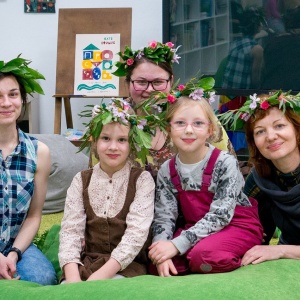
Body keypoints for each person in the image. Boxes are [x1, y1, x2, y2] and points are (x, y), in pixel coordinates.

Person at [146, 81, 263, 276]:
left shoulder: (224, 163)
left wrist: (178, 244)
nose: (189, 130)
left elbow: (221, 215)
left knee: (204, 257)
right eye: (180, 123)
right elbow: (164, 216)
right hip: (197, 227)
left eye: (198, 123)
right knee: (159, 263)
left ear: (210, 130)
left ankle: (242, 258)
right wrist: (162, 249)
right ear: (169, 128)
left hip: (236, 225)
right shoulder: (168, 169)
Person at [58, 98, 157, 282]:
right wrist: (72, 280)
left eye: (121, 140)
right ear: (94, 141)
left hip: (125, 267)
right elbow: (71, 232)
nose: (113, 147)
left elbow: (136, 235)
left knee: (109, 291)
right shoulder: (81, 180)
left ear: (131, 144)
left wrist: (99, 278)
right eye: (105, 138)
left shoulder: (142, 180)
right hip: (87, 264)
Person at [113, 41, 235, 178]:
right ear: (128, 83)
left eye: (158, 82)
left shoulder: (195, 115)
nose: (149, 90)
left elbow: (229, 169)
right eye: (141, 82)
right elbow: (98, 174)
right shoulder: (113, 118)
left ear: (171, 81)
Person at [219, 92, 300, 265]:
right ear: (253, 142)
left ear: (296, 130)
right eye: (260, 131)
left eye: (279, 126)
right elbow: (246, 227)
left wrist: (281, 250)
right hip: (285, 264)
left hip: (284, 253)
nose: (270, 137)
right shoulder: (259, 178)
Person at [0, 56, 57, 285]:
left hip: (17, 243)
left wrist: (13, 254)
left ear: (22, 99)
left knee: (42, 278)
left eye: (12, 95)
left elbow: (34, 216)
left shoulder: (39, 152)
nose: (6, 103)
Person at [222, 8, 264, 89]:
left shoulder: (234, 43)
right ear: (258, 26)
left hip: (226, 92)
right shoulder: (257, 49)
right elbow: (255, 80)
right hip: (243, 95)